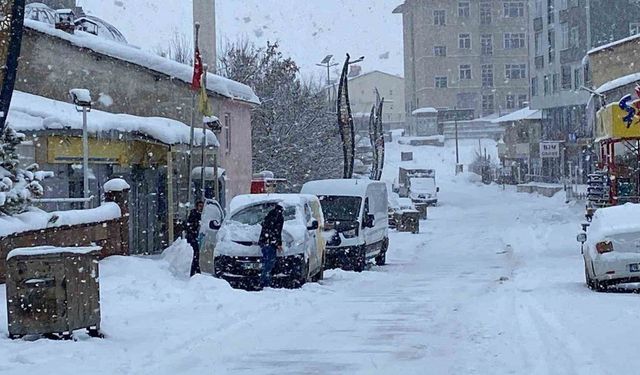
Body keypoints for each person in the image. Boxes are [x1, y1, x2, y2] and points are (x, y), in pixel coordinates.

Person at [259, 204, 284, 288]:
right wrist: (278, 244)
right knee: (269, 262)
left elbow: (267, 228)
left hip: (264, 241)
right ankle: (265, 281)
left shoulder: (270, 215)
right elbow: (277, 232)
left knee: (266, 261)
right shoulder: (279, 217)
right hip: (270, 243)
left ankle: (265, 280)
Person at [186, 200, 204, 277]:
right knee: (196, 254)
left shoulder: (204, 215)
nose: (201, 208)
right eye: (200, 206)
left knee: (198, 254)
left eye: (202, 206)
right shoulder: (193, 214)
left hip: (199, 238)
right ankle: (194, 272)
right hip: (193, 237)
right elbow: (189, 226)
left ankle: (197, 271)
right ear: (197, 206)